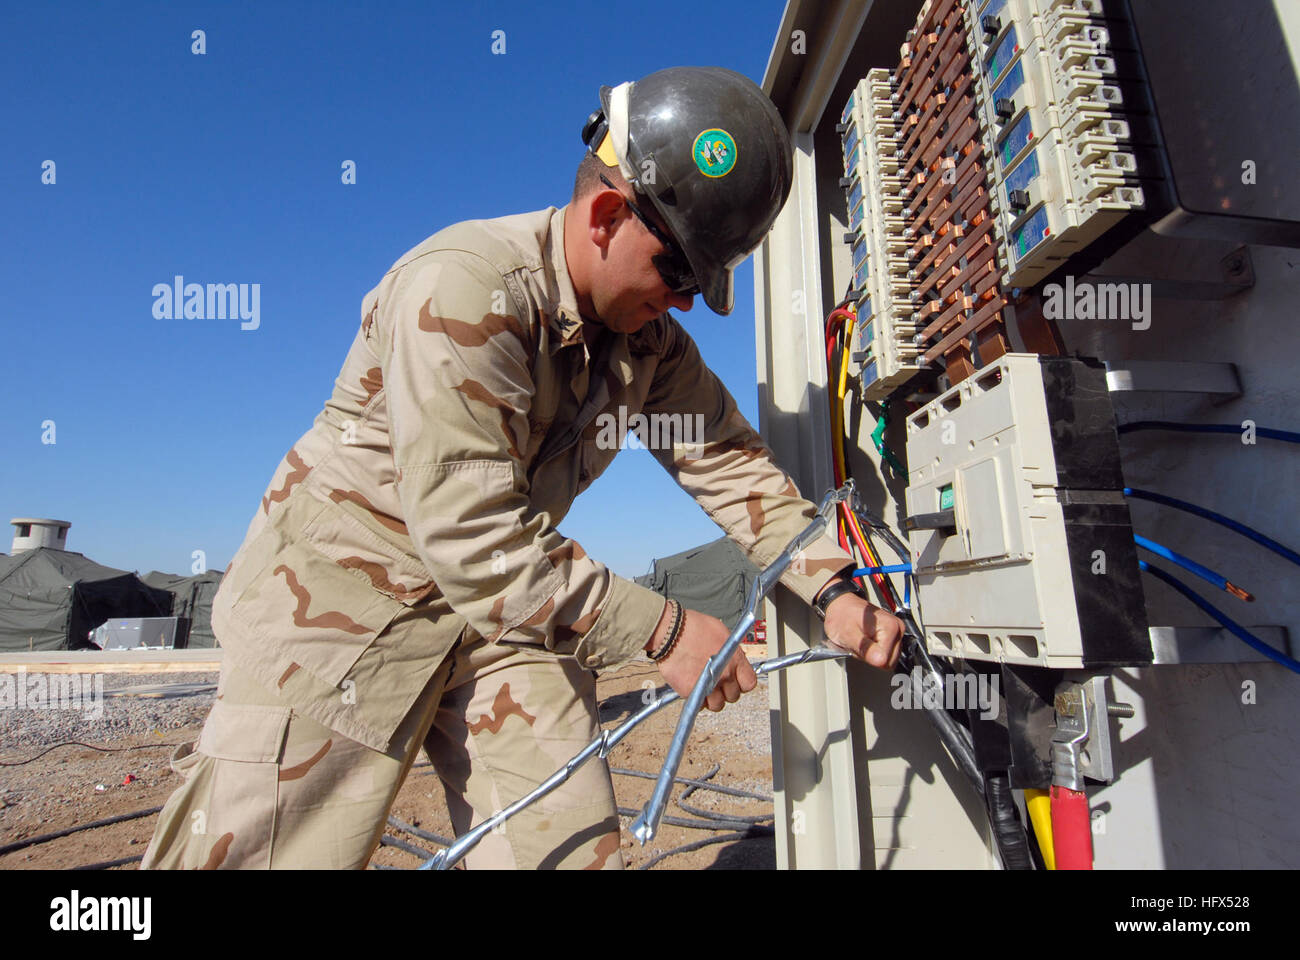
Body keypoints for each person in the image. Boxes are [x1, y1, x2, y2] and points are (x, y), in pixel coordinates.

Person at [141, 66, 903, 871]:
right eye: (679, 272)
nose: (683, 304)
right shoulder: (466, 288)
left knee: (566, 850)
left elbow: (732, 468)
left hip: (500, 620)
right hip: (339, 616)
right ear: (608, 214)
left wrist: (833, 587)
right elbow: (471, 533)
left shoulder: (648, 349)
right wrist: (666, 630)